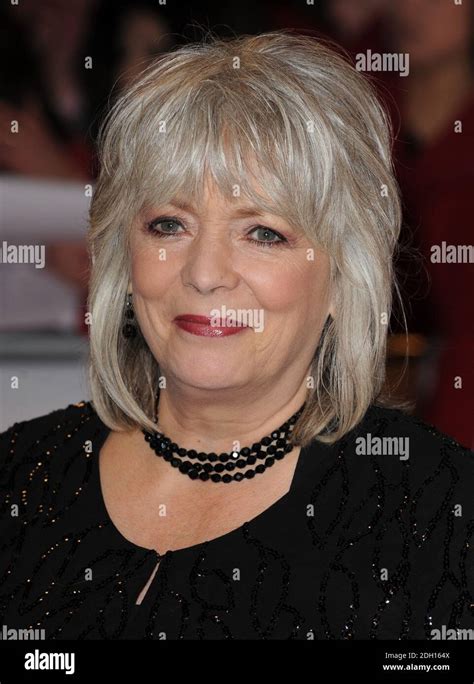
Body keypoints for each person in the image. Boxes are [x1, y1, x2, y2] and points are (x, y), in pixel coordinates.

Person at [0, 31, 472, 640]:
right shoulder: (21, 472)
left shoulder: (437, 516)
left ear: (342, 272)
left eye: (263, 233)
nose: (204, 274)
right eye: (168, 225)